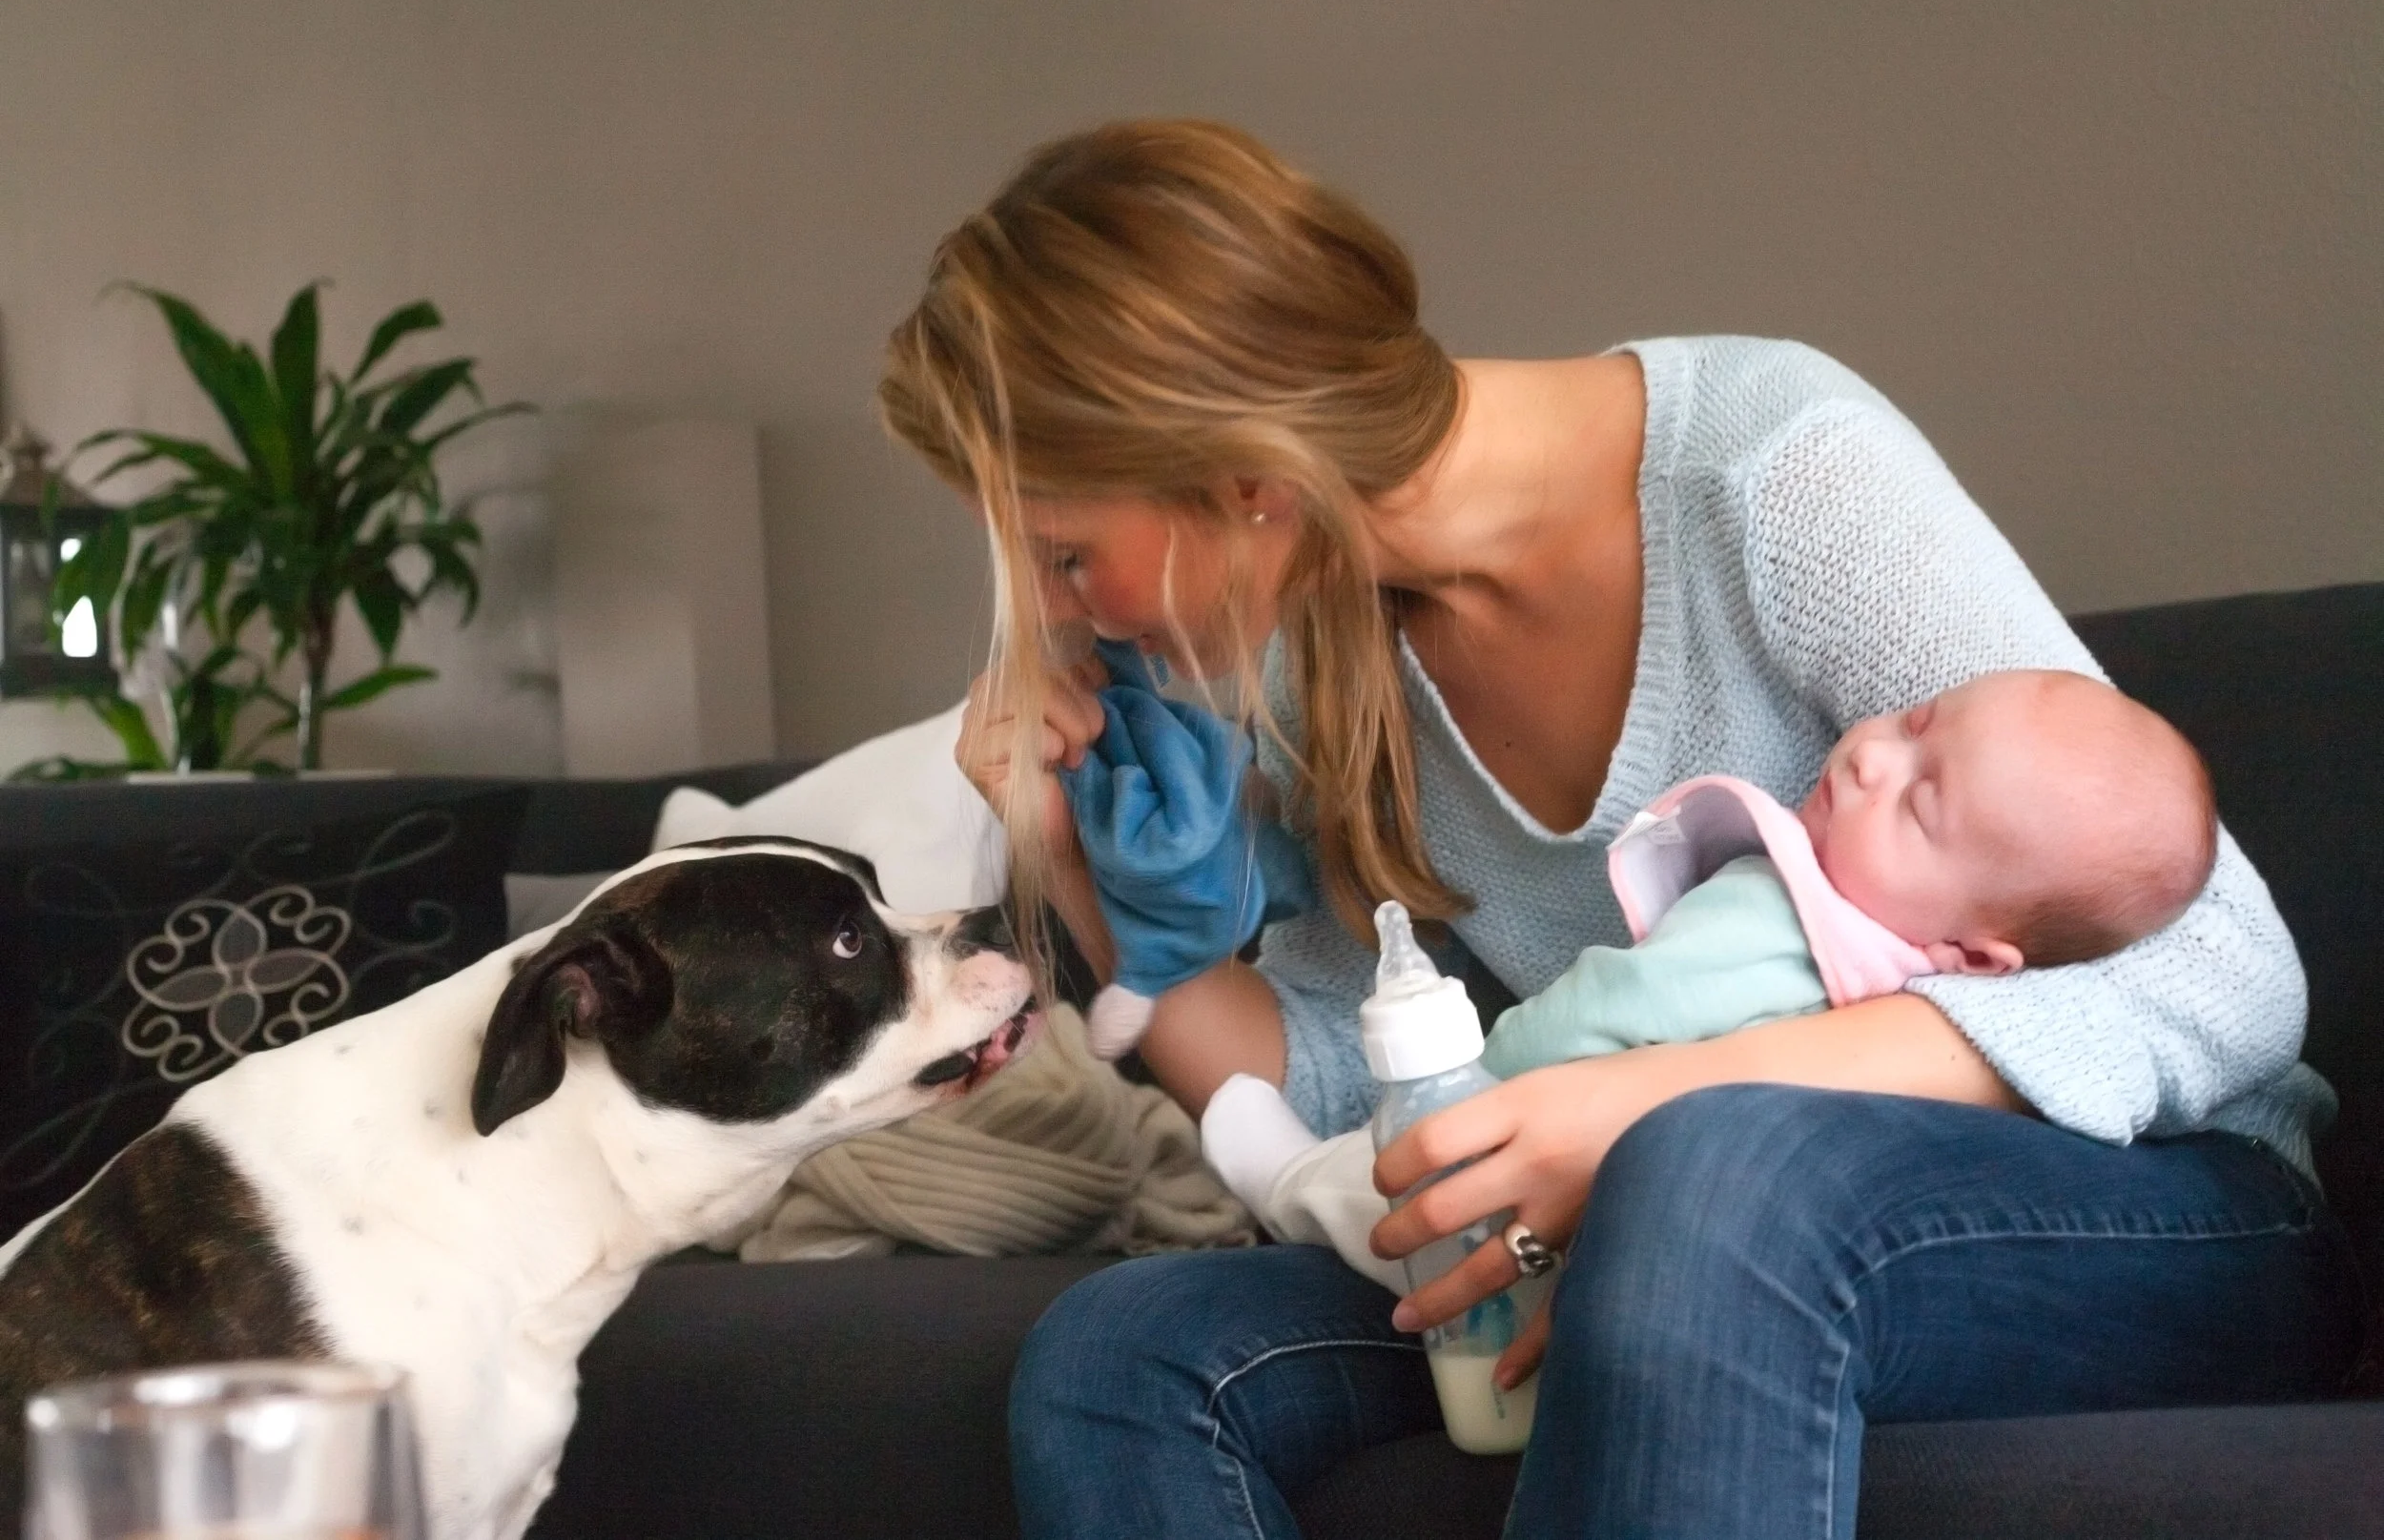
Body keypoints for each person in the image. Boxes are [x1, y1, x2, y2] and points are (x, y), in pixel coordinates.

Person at [875, 118, 2363, 1539]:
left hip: (2154, 1202)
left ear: (1245, 482)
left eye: (1066, 555)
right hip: (1666, 1226)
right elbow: (1341, 1094)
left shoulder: (1776, 476)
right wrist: (1061, 846)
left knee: (1709, 1171)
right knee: (1127, 1351)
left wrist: (1649, 1106)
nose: (1069, 615)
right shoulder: (1317, 665)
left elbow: (2220, 973)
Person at [1204, 667, 2227, 1281]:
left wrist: (1490, 1076)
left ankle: (1299, 1187)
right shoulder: (1900, 980)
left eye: (1919, 806)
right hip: (1668, 1213)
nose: (1872, 759)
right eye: (1916, 722)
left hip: (1556, 1166)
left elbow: (1614, 1006)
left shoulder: (1779, 920)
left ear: (1972, 957)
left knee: (1385, 1191)